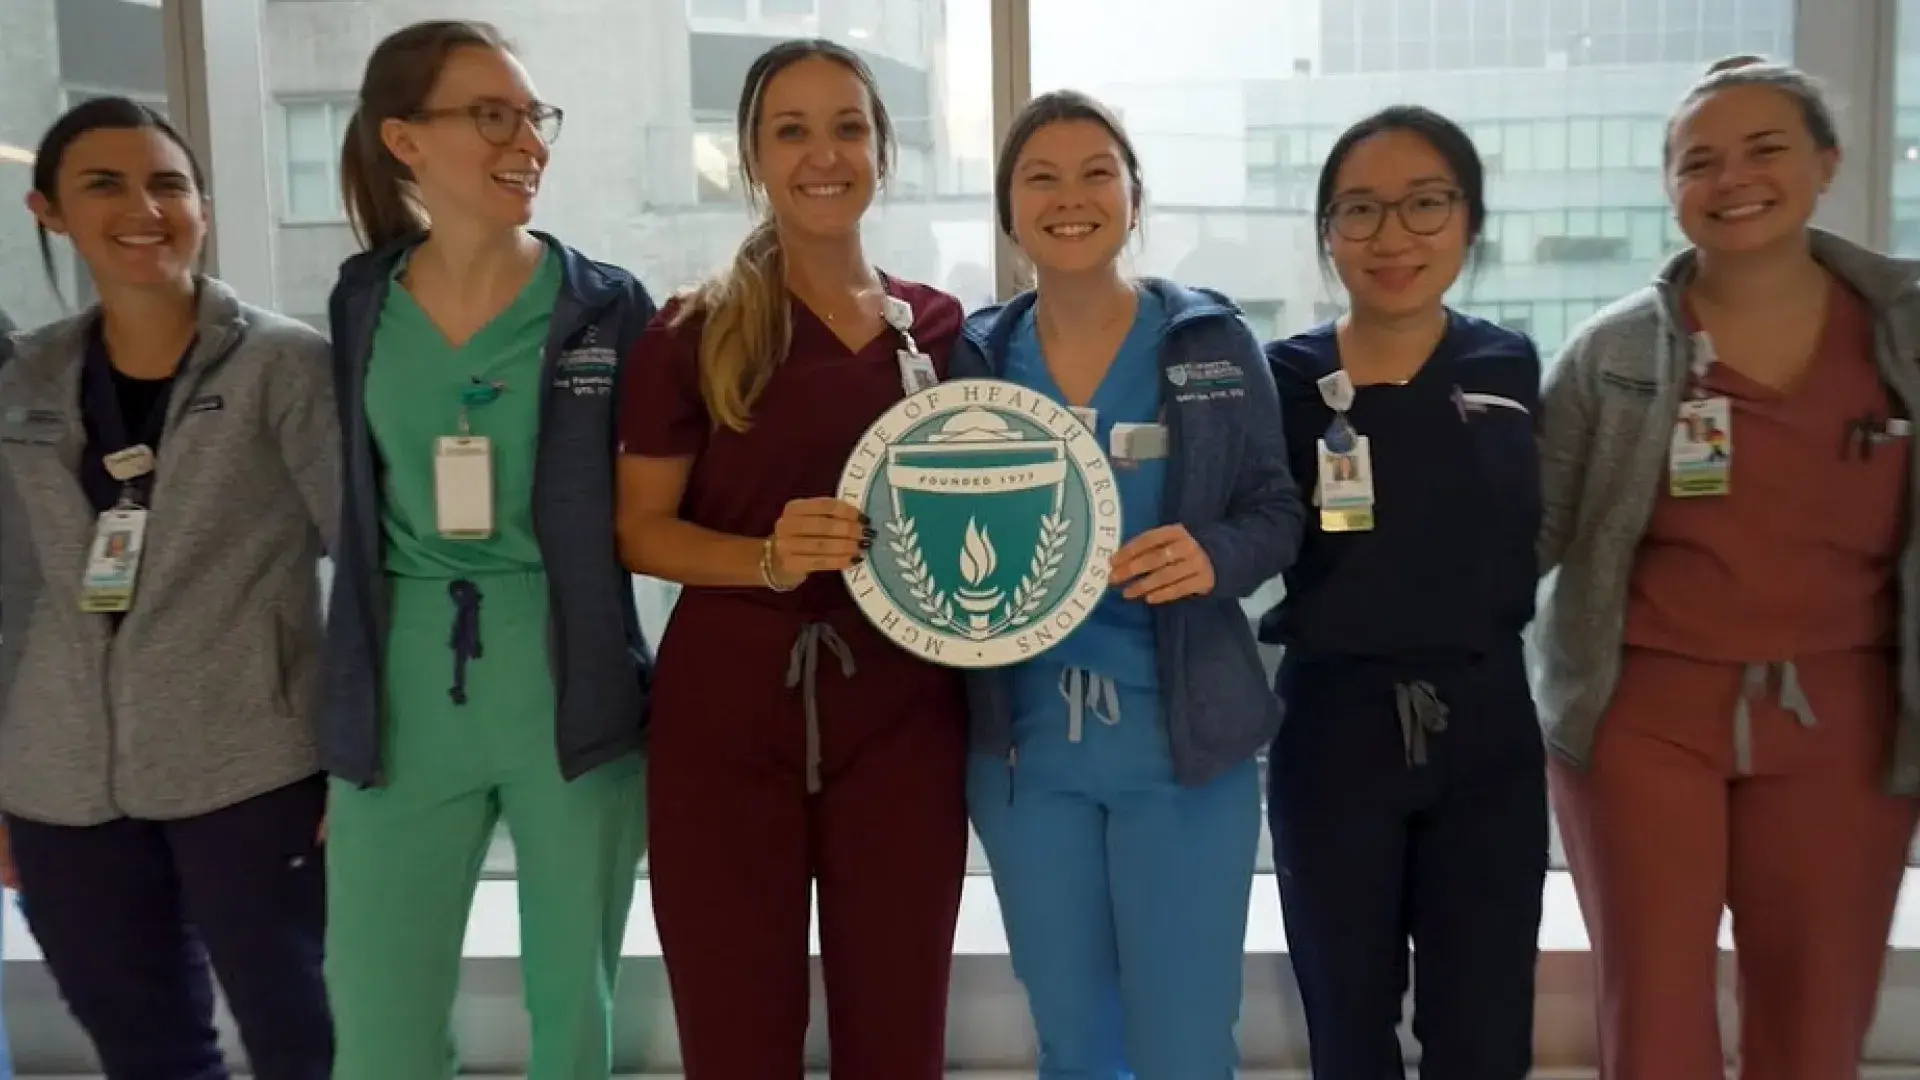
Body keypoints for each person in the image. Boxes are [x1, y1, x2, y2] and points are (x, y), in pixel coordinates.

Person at [1537, 57, 1920, 1080]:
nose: (1731, 178)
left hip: (1846, 715)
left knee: (1818, 1011)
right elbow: (1528, 535)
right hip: (1643, 716)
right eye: (1698, 160)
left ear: (1826, 163)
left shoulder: (1906, 333)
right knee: (1655, 1018)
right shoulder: (1610, 355)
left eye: (1765, 149)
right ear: (1669, 188)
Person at [615, 38, 968, 1080]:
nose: (825, 154)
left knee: (899, 1035)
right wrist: (767, 559)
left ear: (883, 151)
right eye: (792, 130)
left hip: (902, 719)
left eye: (849, 126)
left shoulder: (939, 331)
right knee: (735, 1037)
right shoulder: (690, 330)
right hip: (725, 721)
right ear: (753, 159)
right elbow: (639, 531)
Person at [320, 21, 653, 1080]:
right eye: (493, 115)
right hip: (406, 685)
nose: (528, 141)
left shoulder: (606, 307)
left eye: (534, 117)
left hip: (569, 683)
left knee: (573, 1016)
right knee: (379, 1018)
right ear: (405, 141)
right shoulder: (360, 301)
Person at [950, 90, 1301, 1080]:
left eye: (1097, 172)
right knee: (1073, 1040)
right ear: (1009, 208)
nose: (1072, 197)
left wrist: (1213, 556)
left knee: (1186, 1043)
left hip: (1183, 748)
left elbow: (1277, 512)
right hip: (1027, 758)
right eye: (1041, 177)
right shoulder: (972, 359)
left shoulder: (1211, 346)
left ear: (1135, 197)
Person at [0, 95, 336, 1079]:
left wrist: (356, 757)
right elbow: (8, 590)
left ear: (201, 204)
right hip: (58, 780)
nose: (143, 205)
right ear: (49, 211)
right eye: (104, 184)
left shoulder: (286, 365)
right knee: (144, 1048)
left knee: (304, 1034)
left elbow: (368, 565)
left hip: (254, 769)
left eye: (168, 183)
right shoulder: (24, 383)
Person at [1259, 105, 1548, 1080]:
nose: (1393, 237)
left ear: (1468, 217)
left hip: (1490, 731)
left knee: (1486, 1030)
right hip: (1335, 733)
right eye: (1361, 210)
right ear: (1326, 231)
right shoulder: (1284, 380)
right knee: (1349, 1027)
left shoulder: (1508, 363)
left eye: (1425, 204)